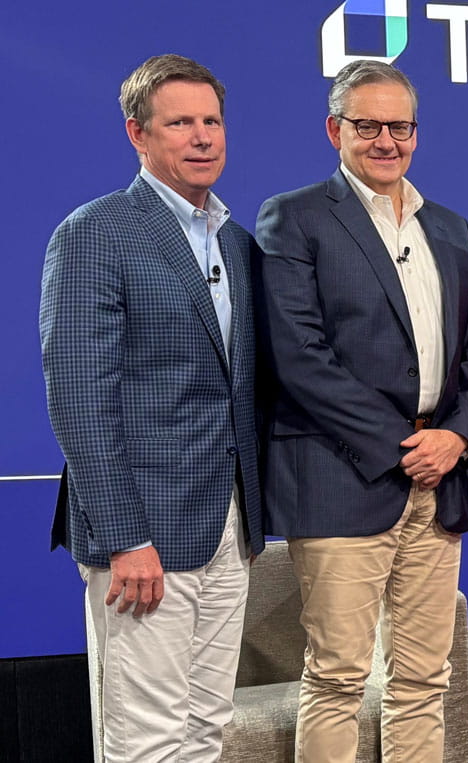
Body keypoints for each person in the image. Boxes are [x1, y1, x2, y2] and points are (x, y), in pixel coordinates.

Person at [253, 60, 468, 762]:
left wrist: (456, 437)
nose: (387, 140)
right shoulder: (294, 217)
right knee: (337, 677)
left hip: (440, 479)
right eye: (368, 125)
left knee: (424, 678)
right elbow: (299, 357)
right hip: (341, 476)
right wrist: (403, 446)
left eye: (400, 126)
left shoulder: (451, 228)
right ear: (335, 130)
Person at [38, 53, 264, 761]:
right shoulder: (95, 232)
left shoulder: (237, 241)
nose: (202, 137)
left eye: (212, 121)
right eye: (180, 123)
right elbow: (79, 397)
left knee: (207, 729)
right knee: (147, 740)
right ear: (138, 134)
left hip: (229, 526)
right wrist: (124, 536)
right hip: (144, 535)